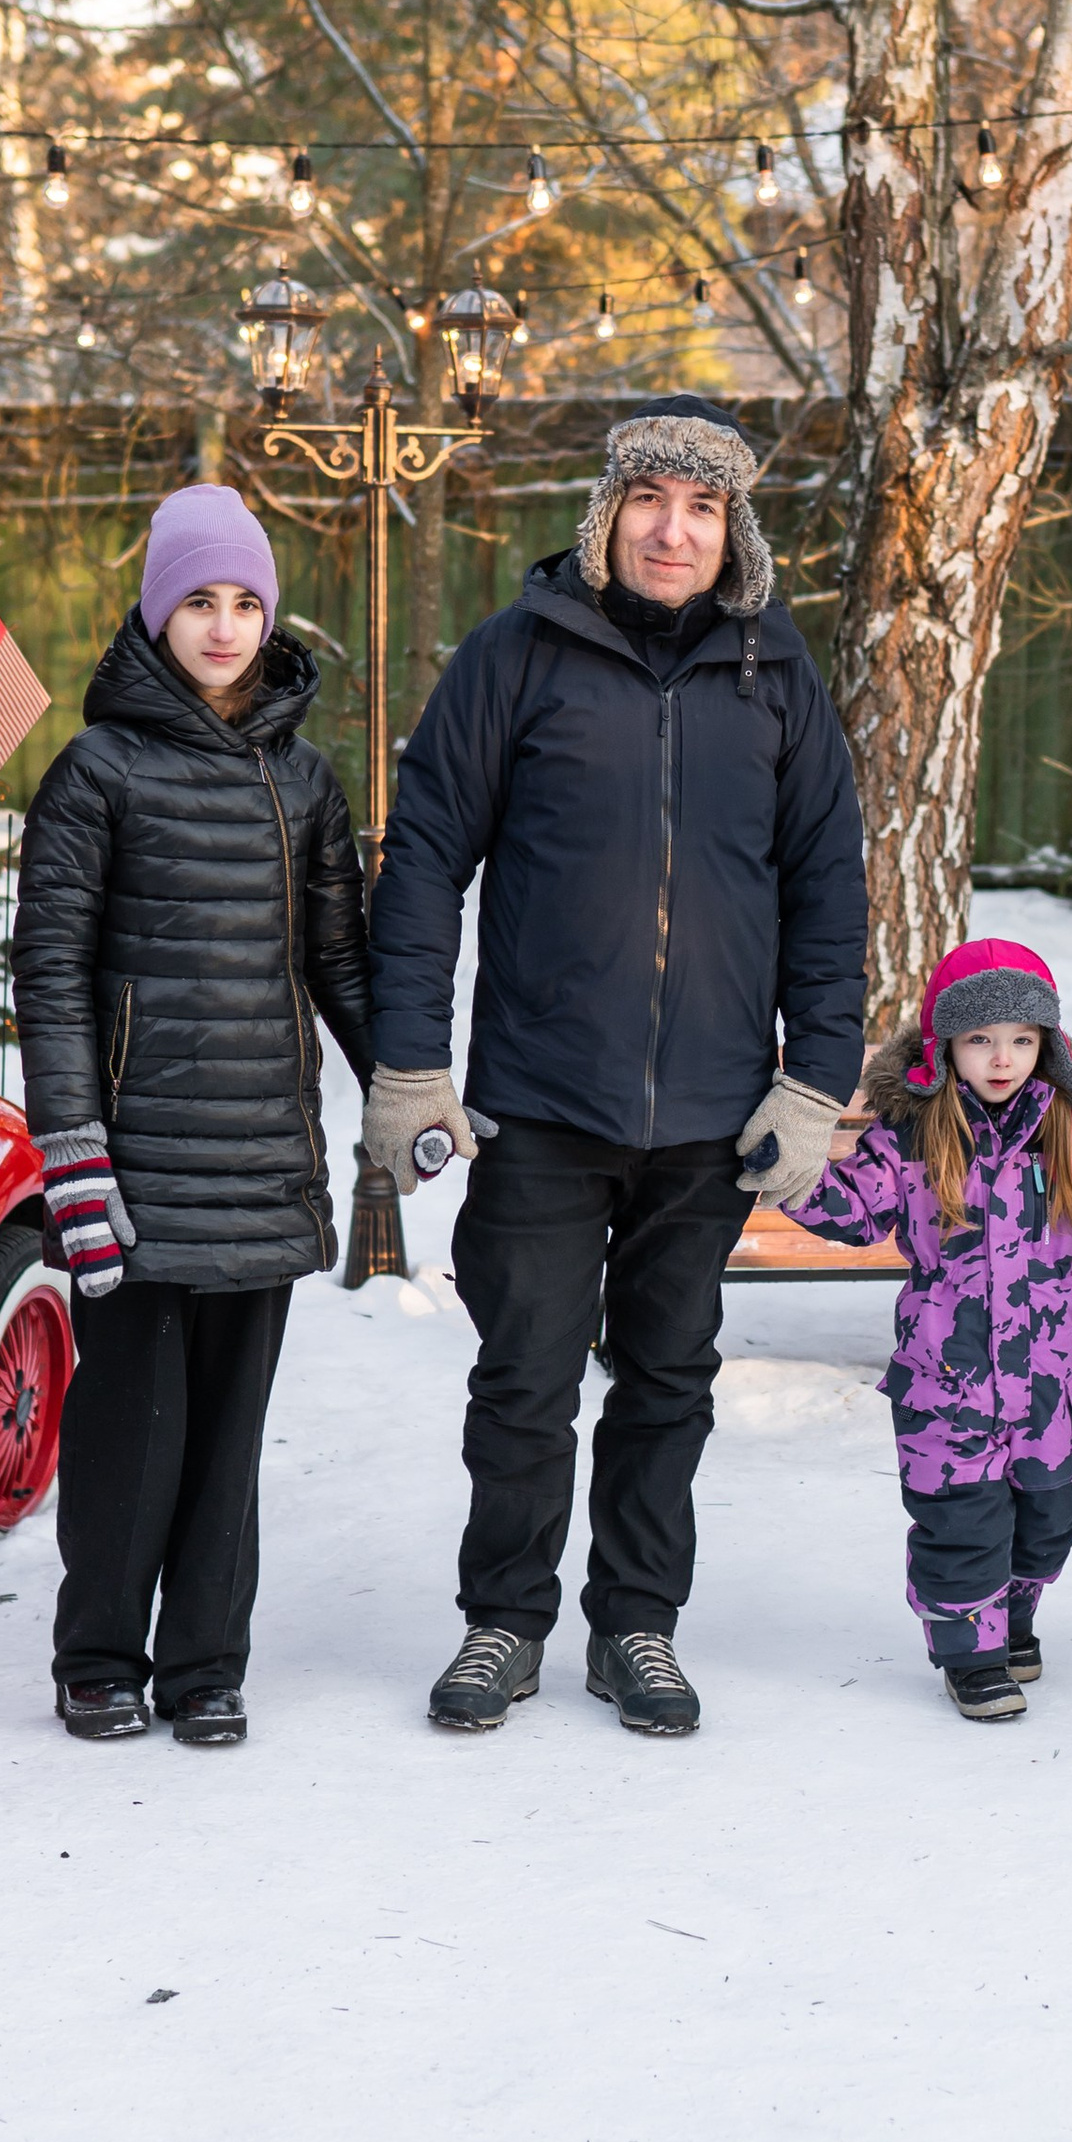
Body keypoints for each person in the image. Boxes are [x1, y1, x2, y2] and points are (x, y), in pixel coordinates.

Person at [364, 395, 867, 1736]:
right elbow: (422, 859)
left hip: (711, 1113)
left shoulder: (776, 677)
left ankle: (638, 1624)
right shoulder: (515, 656)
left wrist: (814, 1079)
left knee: (668, 1381)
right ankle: (503, 1622)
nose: (674, 528)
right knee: (522, 1377)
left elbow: (828, 884)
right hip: (541, 1097)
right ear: (608, 513)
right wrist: (412, 1063)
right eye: (652, 499)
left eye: (703, 508)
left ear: (732, 531)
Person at [13, 482, 373, 1747]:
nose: (223, 627)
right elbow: (48, 974)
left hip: (265, 1154)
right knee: (129, 1426)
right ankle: (101, 1653)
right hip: (135, 1161)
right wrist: (70, 1150)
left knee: (228, 1438)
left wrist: (405, 1086)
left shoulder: (306, 779)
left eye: (244, 602)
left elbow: (341, 963)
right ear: (158, 611)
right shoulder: (95, 773)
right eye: (198, 601)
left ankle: (208, 1663)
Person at [782, 941, 1072, 1720]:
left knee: (1048, 1515)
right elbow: (856, 1208)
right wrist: (793, 1176)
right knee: (960, 1518)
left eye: (1020, 1039)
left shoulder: (1069, 1130)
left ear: (1045, 1047)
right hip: (950, 1376)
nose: (1001, 1058)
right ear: (948, 1044)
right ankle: (968, 1652)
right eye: (979, 1039)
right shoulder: (913, 1132)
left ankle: (1012, 1611)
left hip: (1049, 1380)